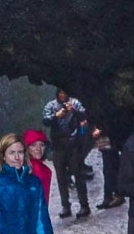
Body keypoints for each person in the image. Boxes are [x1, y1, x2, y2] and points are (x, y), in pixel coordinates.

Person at [42, 89, 92, 219]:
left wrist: (74, 111)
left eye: (65, 93)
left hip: (73, 144)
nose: (63, 96)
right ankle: (65, 205)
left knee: (78, 174)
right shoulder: (51, 105)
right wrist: (56, 115)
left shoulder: (75, 103)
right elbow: (46, 120)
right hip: (58, 145)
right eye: (60, 93)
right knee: (61, 177)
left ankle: (84, 205)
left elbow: (85, 116)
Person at [91, 125, 124, 209]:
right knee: (108, 169)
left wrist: (101, 131)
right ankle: (109, 196)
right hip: (105, 139)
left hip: (110, 139)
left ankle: (116, 195)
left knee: (111, 168)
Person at [22, 128, 52, 201]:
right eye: (33, 145)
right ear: (27, 147)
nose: (38, 149)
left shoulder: (46, 170)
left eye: (42, 145)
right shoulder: (21, 169)